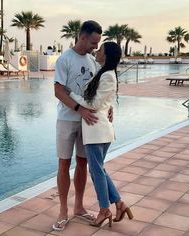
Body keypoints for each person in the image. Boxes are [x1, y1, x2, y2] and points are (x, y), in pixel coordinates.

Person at [68, 42, 133, 227]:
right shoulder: (103, 72)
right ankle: (119, 204)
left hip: (97, 130)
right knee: (99, 170)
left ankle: (104, 210)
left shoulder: (108, 76)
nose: (97, 51)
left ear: (107, 55)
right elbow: (100, 100)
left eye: (101, 50)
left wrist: (71, 94)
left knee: (96, 171)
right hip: (97, 130)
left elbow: (94, 103)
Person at [53, 20, 103, 231]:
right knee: (64, 164)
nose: (96, 47)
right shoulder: (64, 59)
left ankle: (79, 207)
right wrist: (79, 109)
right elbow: (58, 90)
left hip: (87, 122)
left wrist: (106, 107)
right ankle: (63, 210)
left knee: (83, 163)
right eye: (93, 42)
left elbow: (98, 91)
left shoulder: (93, 61)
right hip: (67, 119)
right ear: (82, 37)